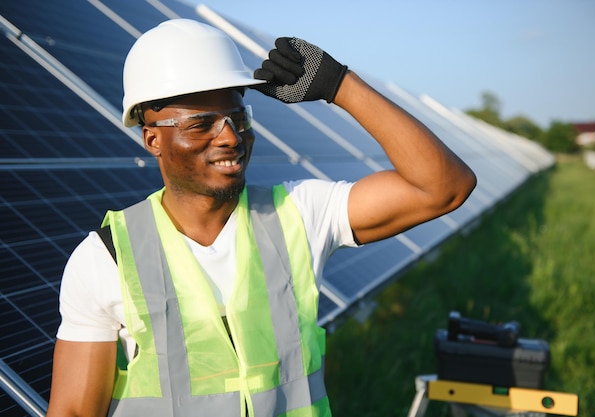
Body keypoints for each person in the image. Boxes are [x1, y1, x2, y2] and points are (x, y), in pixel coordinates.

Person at [47, 18, 476, 417]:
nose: (230, 137)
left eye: (238, 117)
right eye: (201, 124)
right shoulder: (105, 259)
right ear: (153, 139)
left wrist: (340, 85)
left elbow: (443, 187)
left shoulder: (300, 214)